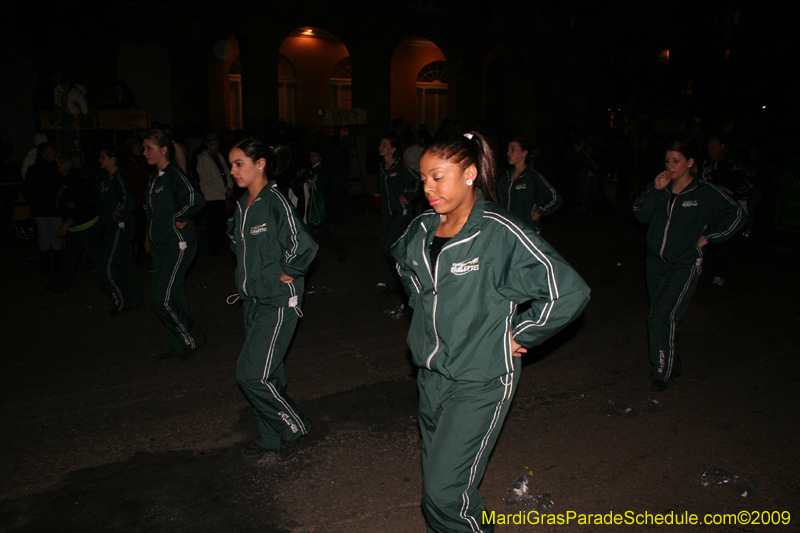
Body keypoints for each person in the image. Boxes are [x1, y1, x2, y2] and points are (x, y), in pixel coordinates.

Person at [392, 132, 590, 532]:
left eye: (438, 176)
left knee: (444, 492)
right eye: (424, 178)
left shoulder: (499, 231)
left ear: (469, 174)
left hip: (481, 378)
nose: (427, 187)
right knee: (442, 485)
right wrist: (424, 307)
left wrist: (523, 333)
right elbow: (403, 264)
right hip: (431, 375)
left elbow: (568, 290)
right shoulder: (423, 227)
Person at [226, 137, 318, 461]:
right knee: (270, 373)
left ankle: (296, 424)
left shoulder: (276, 201)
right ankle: (269, 439)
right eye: (232, 164)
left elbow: (303, 244)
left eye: (239, 163)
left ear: (260, 163)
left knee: (251, 374)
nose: (233, 170)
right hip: (252, 301)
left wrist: (288, 271)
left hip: (278, 302)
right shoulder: (242, 205)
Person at [633, 142, 746, 392]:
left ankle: (662, 371)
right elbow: (640, 214)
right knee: (663, 318)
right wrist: (655, 189)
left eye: (676, 161)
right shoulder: (661, 188)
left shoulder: (704, 192)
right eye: (667, 161)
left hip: (683, 264)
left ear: (690, 162)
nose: (670, 167)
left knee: (660, 316)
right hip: (654, 263)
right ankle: (674, 362)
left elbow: (737, 215)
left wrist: (710, 238)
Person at [143, 128, 207, 362]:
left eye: (149, 148)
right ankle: (178, 345)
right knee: (174, 296)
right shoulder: (153, 179)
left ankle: (193, 337)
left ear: (163, 149)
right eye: (144, 148)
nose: (144, 152)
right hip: (161, 246)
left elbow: (195, 198)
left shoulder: (173, 174)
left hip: (178, 244)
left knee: (161, 298)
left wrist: (181, 216)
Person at [46, 152, 102, 294]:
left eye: (60, 161)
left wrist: (65, 225)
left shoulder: (77, 180)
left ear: (68, 163)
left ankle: (114, 284)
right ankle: (61, 285)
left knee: (98, 258)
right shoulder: (66, 179)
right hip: (76, 227)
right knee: (70, 258)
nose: (58, 164)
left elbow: (79, 206)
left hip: (86, 225)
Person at [97, 146, 143, 316]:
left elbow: (129, 199)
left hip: (120, 226)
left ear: (112, 159)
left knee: (105, 262)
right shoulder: (106, 180)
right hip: (113, 225)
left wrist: (119, 212)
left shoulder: (119, 178)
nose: (99, 160)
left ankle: (119, 299)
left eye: (102, 156)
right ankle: (135, 300)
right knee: (124, 263)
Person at [701, 135, 751, 287]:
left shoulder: (731, 164)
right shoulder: (706, 163)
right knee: (700, 237)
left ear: (722, 147)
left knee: (720, 242)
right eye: (708, 147)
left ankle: (719, 274)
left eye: (714, 147)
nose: (710, 150)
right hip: (709, 207)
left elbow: (733, 188)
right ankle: (695, 268)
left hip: (726, 208)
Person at [378, 134, 420, 295]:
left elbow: (417, 182)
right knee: (383, 249)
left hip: (399, 213)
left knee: (390, 248)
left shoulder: (400, 167)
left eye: (384, 145)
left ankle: (406, 276)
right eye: (380, 145)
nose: (381, 148)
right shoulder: (382, 167)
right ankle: (392, 284)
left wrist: (407, 197)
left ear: (393, 149)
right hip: (386, 213)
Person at [497, 137, 562, 234]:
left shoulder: (532, 176)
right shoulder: (504, 177)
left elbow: (554, 197)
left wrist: (540, 211)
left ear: (524, 153)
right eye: (508, 149)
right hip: (507, 230)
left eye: (513, 149)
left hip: (527, 230)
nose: (508, 153)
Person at [23, 142, 64, 274]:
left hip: (55, 210)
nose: (54, 153)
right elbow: (28, 190)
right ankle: (45, 267)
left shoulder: (57, 169)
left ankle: (58, 267)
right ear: (43, 154)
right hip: (40, 210)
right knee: (44, 238)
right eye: (50, 151)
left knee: (56, 237)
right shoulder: (34, 170)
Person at [196, 133, 233, 255]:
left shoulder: (219, 156)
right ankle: (214, 247)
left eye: (217, 143)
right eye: (213, 144)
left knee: (221, 222)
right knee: (213, 223)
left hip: (221, 195)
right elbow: (209, 179)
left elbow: (226, 172)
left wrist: (229, 186)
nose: (216, 146)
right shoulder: (203, 159)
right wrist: (224, 189)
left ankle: (220, 245)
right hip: (211, 196)